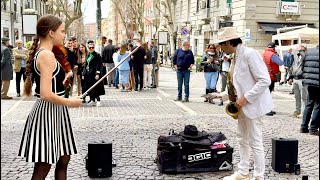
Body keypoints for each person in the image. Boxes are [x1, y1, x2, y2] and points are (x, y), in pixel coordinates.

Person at [18, 15, 82, 179]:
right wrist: (71, 102)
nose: (64, 35)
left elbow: (48, 84)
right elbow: (46, 94)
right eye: (62, 31)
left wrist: (62, 79)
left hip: (56, 113)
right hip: (48, 113)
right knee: (43, 165)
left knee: (64, 158)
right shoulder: (47, 55)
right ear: (51, 33)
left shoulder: (46, 53)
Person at [210, 27, 273, 180]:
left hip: (252, 105)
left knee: (255, 141)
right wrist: (222, 95)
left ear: (229, 42)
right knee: (241, 139)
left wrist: (245, 99)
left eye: (221, 44)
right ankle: (243, 173)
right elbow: (237, 85)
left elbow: (265, 80)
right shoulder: (235, 56)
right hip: (242, 106)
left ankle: (259, 176)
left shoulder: (250, 54)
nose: (220, 47)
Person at [300, 45, 319, 135]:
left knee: (309, 103)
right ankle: (313, 129)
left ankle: (303, 127)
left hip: (310, 82)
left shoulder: (309, 52)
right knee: (317, 106)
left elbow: (303, 66)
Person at [262, 42, 284, 116]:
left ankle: (266, 109)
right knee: (268, 93)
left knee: (265, 93)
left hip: (264, 76)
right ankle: (267, 110)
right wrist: (278, 55)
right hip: (271, 76)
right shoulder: (273, 55)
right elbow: (281, 63)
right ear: (274, 48)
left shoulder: (263, 53)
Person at [288, 45, 308, 118]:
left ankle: (303, 112)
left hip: (302, 79)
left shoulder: (306, 57)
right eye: (297, 50)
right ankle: (297, 111)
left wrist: (302, 51)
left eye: (300, 50)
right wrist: (290, 77)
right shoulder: (296, 58)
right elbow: (292, 67)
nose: (298, 52)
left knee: (304, 97)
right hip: (295, 79)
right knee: (297, 97)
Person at [82, 42, 105, 106]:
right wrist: (83, 74)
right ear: (88, 48)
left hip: (94, 74)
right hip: (88, 74)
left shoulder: (97, 55)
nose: (91, 48)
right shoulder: (88, 55)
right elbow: (85, 65)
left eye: (92, 47)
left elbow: (99, 65)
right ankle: (92, 99)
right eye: (90, 47)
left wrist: (97, 73)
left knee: (96, 87)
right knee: (90, 87)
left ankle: (98, 100)